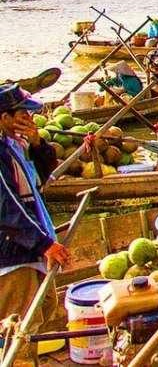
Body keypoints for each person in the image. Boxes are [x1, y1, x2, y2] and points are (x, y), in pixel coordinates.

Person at [0, 85, 70, 363]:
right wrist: (44, 244)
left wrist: (39, 145)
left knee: (41, 314)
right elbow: (6, 209)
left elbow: (41, 179)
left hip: (31, 248)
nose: (29, 119)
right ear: (4, 117)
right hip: (15, 255)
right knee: (19, 332)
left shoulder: (15, 146)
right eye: (22, 114)